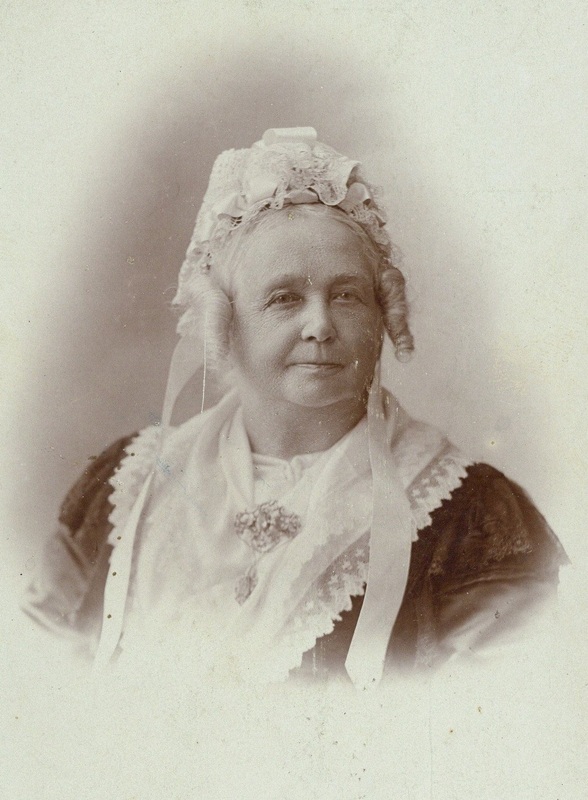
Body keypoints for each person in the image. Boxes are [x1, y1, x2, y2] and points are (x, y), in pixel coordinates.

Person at [21, 127, 568, 688]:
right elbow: (36, 679)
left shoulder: (470, 519)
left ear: (382, 315)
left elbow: (499, 710)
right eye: (285, 298)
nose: (320, 326)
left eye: (346, 296)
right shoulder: (127, 487)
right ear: (224, 322)